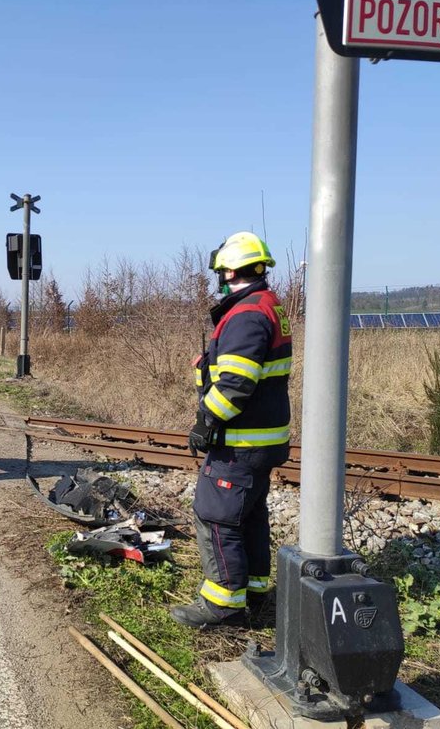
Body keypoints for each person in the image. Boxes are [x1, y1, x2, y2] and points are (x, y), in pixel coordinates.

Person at [171, 232, 292, 629]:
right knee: (249, 515)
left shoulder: (245, 314)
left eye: (221, 272)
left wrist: (205, 421)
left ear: (228, 270)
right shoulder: (268, 306)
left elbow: (236, 383)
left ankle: (222, 605)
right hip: (262, 440)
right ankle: (254, 592)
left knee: (217, 516)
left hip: (240, 442)